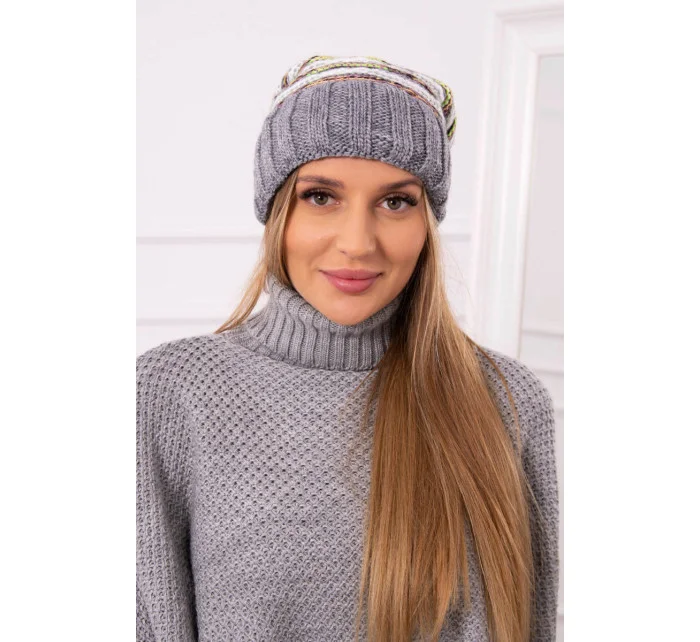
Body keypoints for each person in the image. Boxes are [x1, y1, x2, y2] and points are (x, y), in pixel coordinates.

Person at [136, 54, 559, 642]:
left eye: (396, 202)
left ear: (427, 225)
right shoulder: (168, 393)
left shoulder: (505, 400)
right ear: (277, 214)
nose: (357, 243)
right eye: (320, 197)